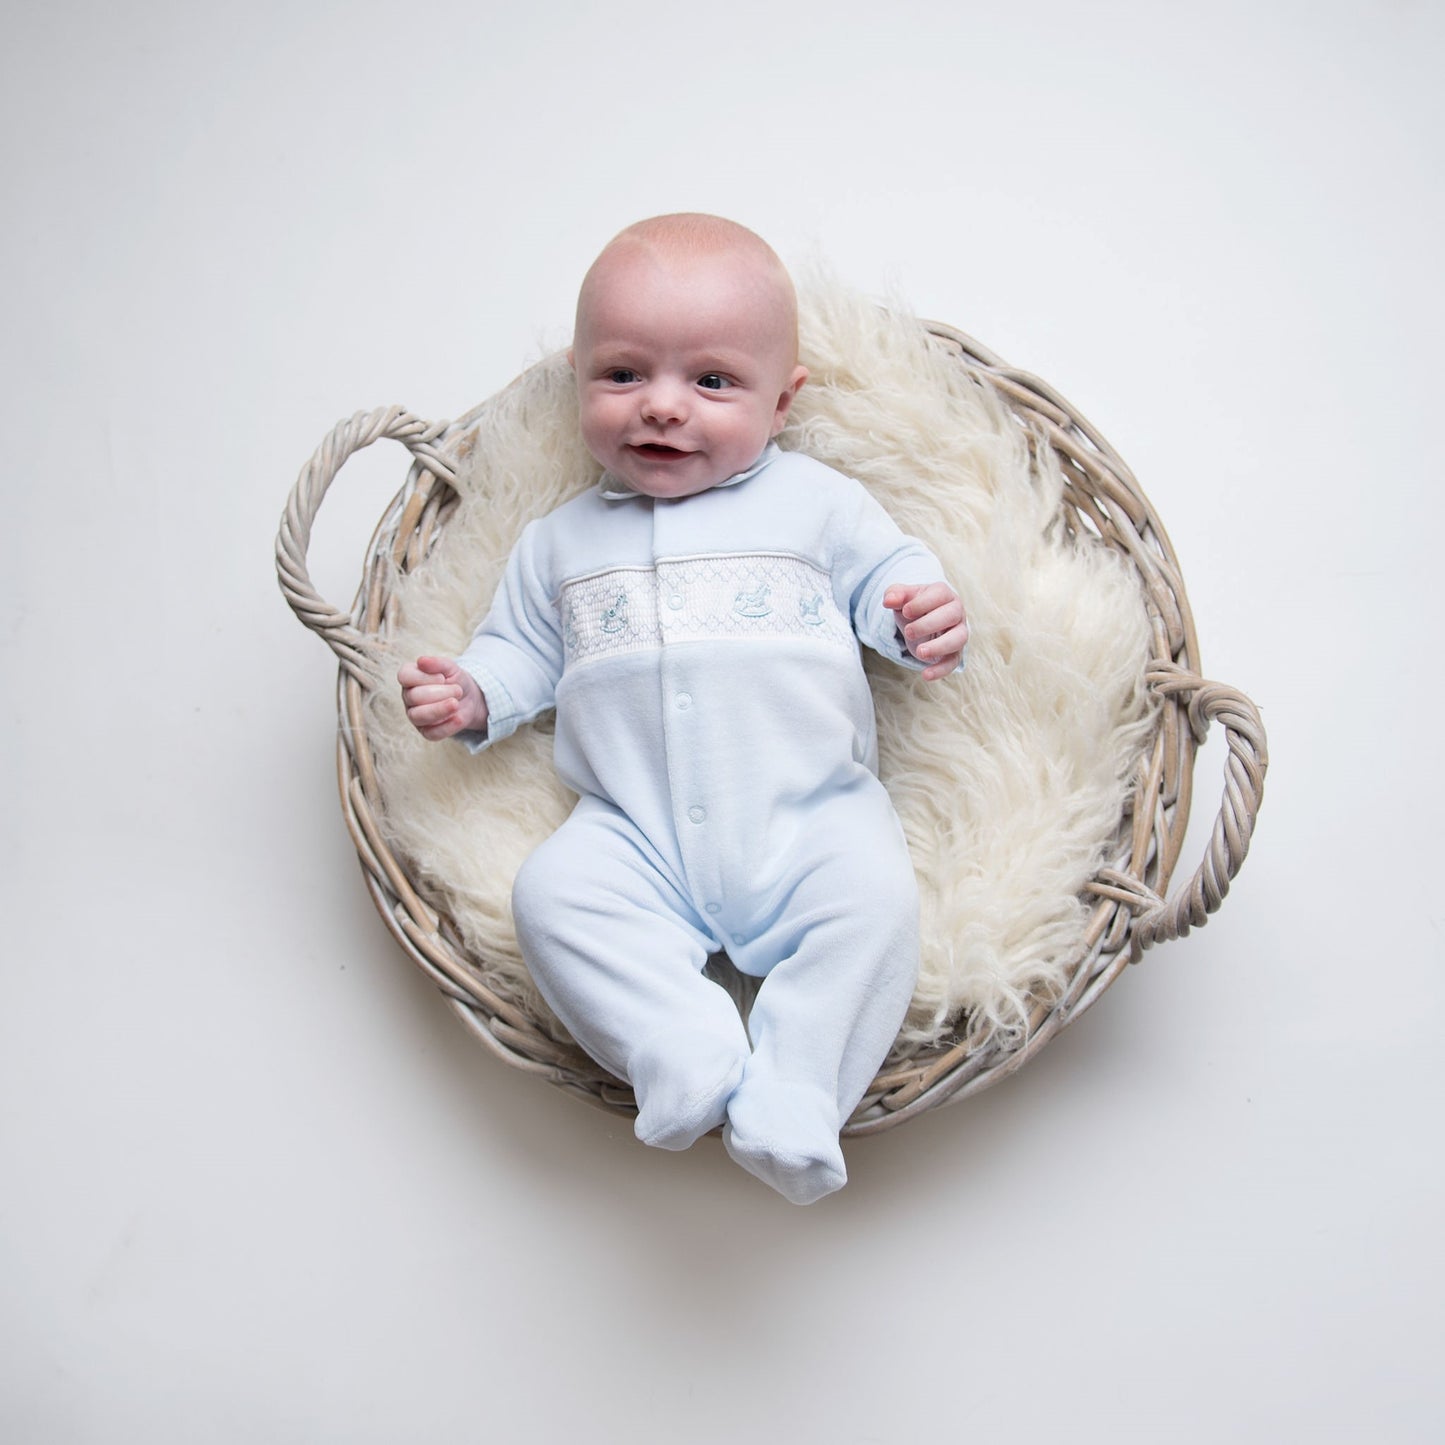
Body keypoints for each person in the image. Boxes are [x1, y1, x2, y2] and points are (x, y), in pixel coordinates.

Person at [398, 214, 967, 1203]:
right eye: (623, 375)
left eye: (711, 381)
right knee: (553, 898)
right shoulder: (557, 541)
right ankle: (681, 1043)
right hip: (633, 830)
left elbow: (886, 569)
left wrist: (911, 612)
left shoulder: (814, 504)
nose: (662, 407)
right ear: (578, 379)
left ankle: (795, 1091)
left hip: (808, 815)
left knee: (870, 906)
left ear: (782, 400)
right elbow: (523, 649)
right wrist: (474, 692)